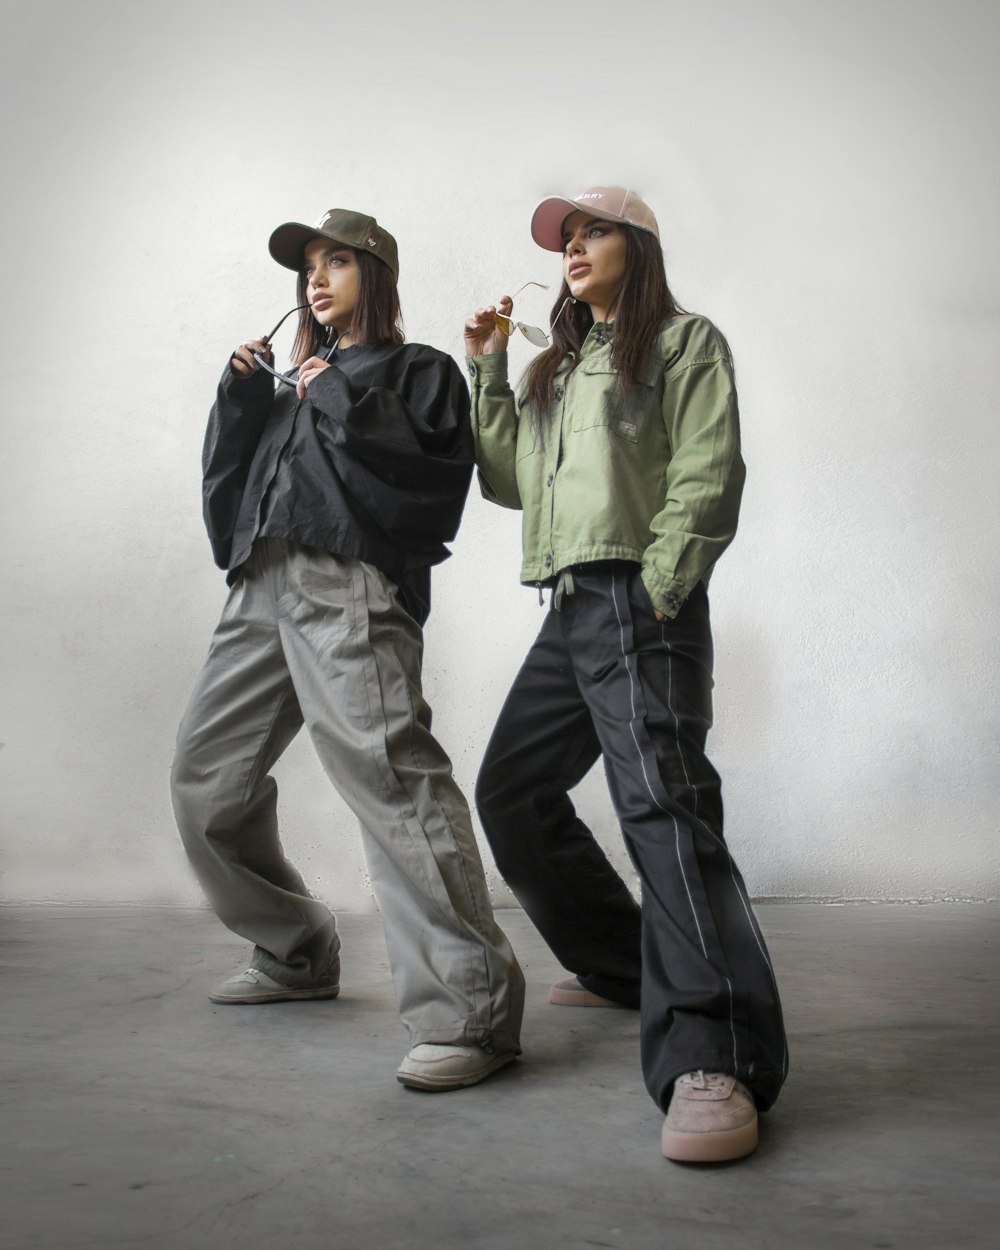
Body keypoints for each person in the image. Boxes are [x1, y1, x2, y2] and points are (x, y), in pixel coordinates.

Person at [463, 186, 787, 1158]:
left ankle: (715, 1052)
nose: (572, 247)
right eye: (566, 238)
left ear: (637, 246)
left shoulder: (682, 343)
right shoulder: (558, 369)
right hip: (569, 609)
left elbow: (708, 467)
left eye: (592, 231)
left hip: (638, 598)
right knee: (512, 790)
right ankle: (618, 963)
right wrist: (488, 367)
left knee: (662, 807)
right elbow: (510, 479)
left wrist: (660, 585)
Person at [171, 207, 524, 1091]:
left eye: (337, 263)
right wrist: (244, 398)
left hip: (350, 588)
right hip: (260, 588)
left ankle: (471, 1013)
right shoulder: (295, 384)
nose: (317, 281)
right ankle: (295, 952)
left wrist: (327, 388)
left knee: (392, 785)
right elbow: (230, 498)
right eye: (308, 270)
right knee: (206, 781)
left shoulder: (418, 370)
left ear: (378, 275)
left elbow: (429, 485)